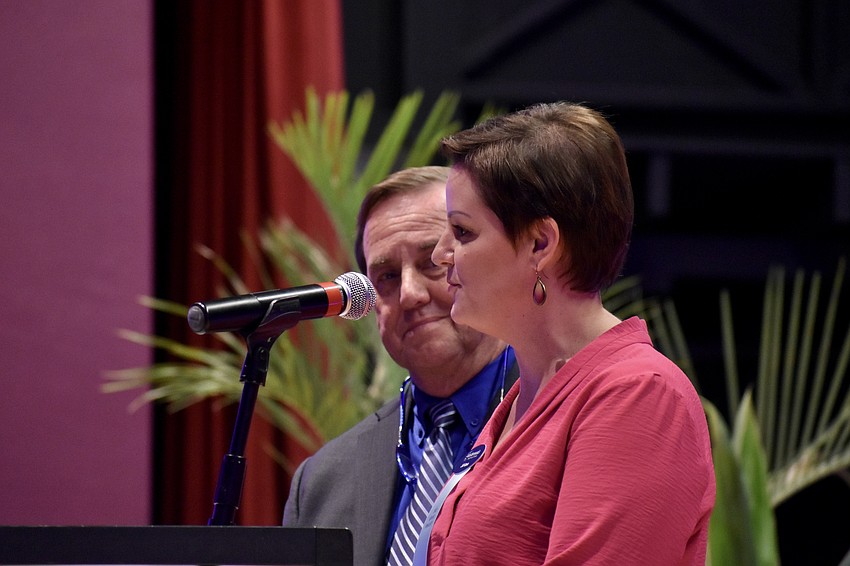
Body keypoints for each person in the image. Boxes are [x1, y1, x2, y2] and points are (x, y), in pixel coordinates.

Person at [420, 102, 716, 565]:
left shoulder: (637, 395)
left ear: (541, 243)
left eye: (461, 232)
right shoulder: (519, 398)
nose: (440, 255)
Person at [282, 166, 518, 566]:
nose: (408, 294)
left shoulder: (565, 421)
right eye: (387, 276)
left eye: (431, 262)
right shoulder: (322, 482)